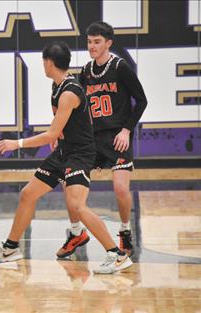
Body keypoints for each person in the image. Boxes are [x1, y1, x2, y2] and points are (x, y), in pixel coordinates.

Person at [0, 41, 132, 274]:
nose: (43, 65)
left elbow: (51, 133)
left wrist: (17, 143)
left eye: (44, 61)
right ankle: (10, 248)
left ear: (49, 63)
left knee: (78, 206)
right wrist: (59, 133)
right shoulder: (58, 85)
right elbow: (60, 128)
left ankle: (117, 254)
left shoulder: (69, 92)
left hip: (79, 155)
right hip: (63, 151)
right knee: (27, 194)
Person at [56, 21, 147, 258]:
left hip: (117, 137)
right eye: (89, 42)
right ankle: (76, 232)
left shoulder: (120, 67)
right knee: (68, 181)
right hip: (92, 139)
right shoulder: (86, 71)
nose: (92, 46)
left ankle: (125, 231)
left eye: (97, 42)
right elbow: (74, 103)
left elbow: (142, 100)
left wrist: (126, 130)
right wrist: (60, 131)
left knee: (119, 188)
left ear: (108, 43)